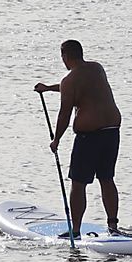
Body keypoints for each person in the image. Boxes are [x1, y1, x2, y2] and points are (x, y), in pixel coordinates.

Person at [34, 40, 122, 237]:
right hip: (111, 131)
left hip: (89, 138)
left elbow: (64, 114)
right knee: (107, 179)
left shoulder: (70, 80)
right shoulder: (97, 69)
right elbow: (77, 86)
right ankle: (113, 226)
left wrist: (56, 140)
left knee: (78, 183)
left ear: (65, 56)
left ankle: (75, 230)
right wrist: (48, 88)